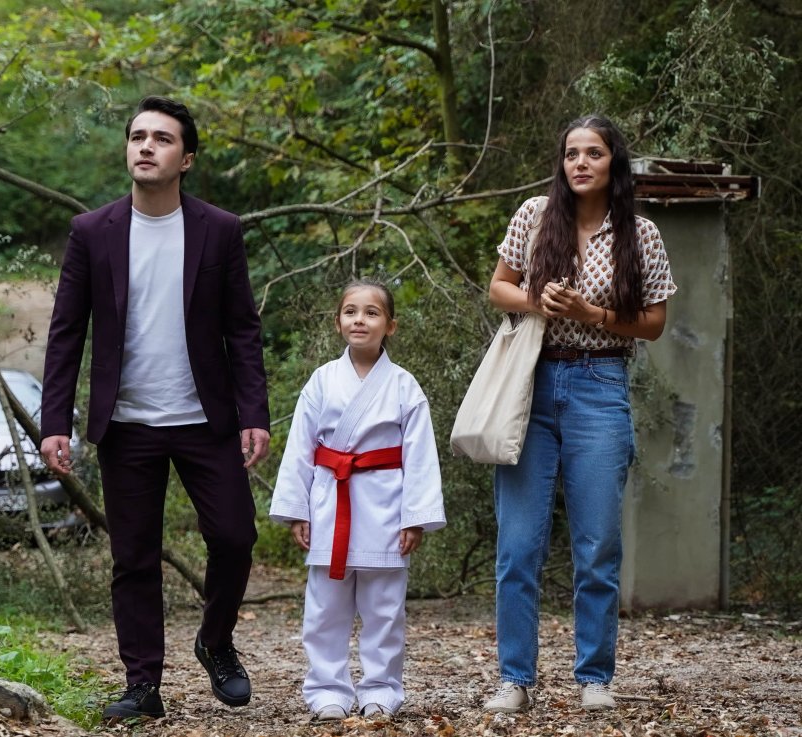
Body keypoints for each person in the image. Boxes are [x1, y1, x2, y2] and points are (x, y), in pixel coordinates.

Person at [39, 96, 270, 722]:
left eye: (162, 139)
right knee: (134, 557)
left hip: (205, 419)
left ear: (186, 159)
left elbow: (242, 330)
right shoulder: (93, 231)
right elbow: (67, 332)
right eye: (138, 136)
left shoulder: (219, 229)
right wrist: (54, 422)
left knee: (235, 536)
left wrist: (254, 412)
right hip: (127, 424)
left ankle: (215, 641)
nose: (146, 146)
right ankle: (143, 685)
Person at [482, 115, 677, 713]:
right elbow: (498, 287)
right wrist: (539, 301)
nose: (581, 163)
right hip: (532, 382)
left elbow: (655, 323)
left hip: (601, 385)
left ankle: (595, 678)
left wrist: (592, 314)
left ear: (614, 161)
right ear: (561, 162)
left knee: (597, 546)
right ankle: (515, 679)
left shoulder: (640, 233)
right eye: (572, 153)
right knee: (519, 546)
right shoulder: (535, 215)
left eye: (594, 152)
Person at [269, 279, 446, 721]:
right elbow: (300, 447)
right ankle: (327, 690)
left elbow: (420, 455)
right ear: (338, 322)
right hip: (330, 500)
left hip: (385, 504)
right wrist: (297, 509)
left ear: (390, 326)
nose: (359, 320)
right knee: (325, 609)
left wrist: (415, 517)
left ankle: (381, 690)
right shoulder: (322, 380)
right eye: (350, 312)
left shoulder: (404, 385)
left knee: (384, 609)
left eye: (371, 313)